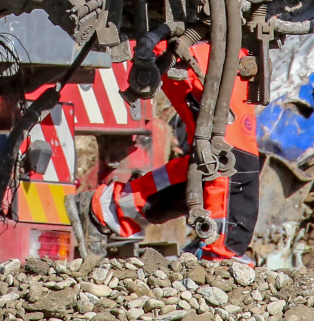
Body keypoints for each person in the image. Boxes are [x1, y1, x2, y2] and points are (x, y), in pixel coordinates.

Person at [90, 33, 261, 262]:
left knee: (213, 164)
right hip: (195, 43)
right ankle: (220, 259)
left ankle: (112, 209)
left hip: (219, 44)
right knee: (230, 158)